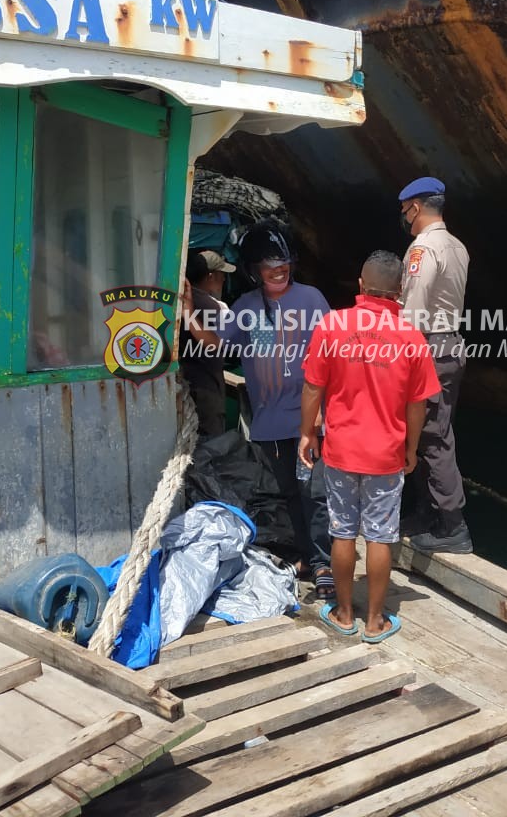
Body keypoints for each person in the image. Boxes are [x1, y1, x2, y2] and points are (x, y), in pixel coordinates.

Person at [182, 220, 334, 595]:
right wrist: (188, 312)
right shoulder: (247, 307)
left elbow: (333, 356)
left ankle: (323, 563)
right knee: (282, 495)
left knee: (315, 495)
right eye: (270, 266)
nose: (278, 271)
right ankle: (301, 556)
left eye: (284, 264)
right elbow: (217, 346)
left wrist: (321, 415)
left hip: (309, 424)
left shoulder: (313, 299)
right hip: (268, 425)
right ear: (254, 271)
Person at [299, 251, 440, 642]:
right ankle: (376, 621)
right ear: (400, 290)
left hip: (341, 451)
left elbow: (313, 386)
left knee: (342, 532)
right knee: (380, 535)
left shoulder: (333, 325)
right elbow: (417, 405)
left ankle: (344, 614)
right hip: (386, 454)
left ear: (359, 285)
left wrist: (308, 432)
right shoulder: (410, 336)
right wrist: (411, 448)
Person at [397, 176, 474, 554]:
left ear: (415, 206)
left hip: (428, 348)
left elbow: (413, 309)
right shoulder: (457, 246)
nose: (405, 218)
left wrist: (398, 356)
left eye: (405, 210)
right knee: (435, 429)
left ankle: (451, 525)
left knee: (430, 435)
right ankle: (428, 514)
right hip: (449, 346)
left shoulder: (423, 248)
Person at [179, 249, 235, 437]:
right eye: (222, 274)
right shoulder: (217, 308)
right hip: (206, 389)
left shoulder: (174, 301)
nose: (224, 279)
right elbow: (223, 345)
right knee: (211, 445)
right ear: (211, 276)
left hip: (180, 385)